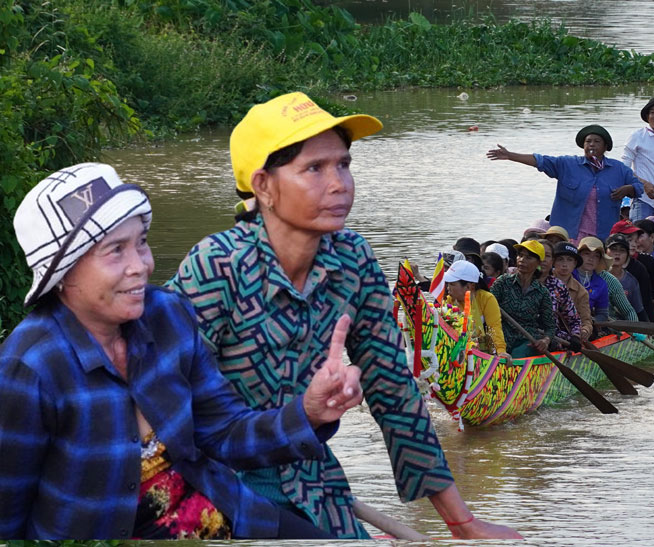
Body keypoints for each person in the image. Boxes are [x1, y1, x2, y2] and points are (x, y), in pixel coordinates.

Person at [168, 93, 519, 539]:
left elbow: (393, 389)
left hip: (313, 481)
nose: (339, 184)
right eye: (315, 169)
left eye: (344, 164)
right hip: (216, 487)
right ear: (263, 186)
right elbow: (164, 403)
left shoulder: (352, 259)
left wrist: (460, 520)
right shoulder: (215, 267)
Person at [0, 163, 370, 540]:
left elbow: (224, 432)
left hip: (217, 513)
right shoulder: (30, 368)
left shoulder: (167, 315)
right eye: (115, 251)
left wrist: (308, 412)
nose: (141, 266)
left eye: (141, 242)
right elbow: (7, 517)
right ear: (63, 276)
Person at [487, 125, 643, 241]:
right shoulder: (567, 164)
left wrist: (628, 189)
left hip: (601, 235)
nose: (592, 145)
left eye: (597, 142)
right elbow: (540, 160)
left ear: (605, 147)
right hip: (569, 234)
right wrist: (510, 155)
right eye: (588, 142)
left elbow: (639, 188)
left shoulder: (618, 169)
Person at [490, 240, 556, 359]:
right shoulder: (502, 282)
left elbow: (550, 327)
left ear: (538, 263)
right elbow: (487, 307)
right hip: (500, 336)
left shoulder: (542, 292)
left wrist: (545, 341)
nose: (522, 260)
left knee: (518, 355)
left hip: (526, 340)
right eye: (520, 255)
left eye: (529, 257)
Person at [443, 260, 508, 360]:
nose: (448, 288)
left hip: (483, 352)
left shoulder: (487, 299)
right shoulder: (449, 301)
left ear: (469, 286)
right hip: (458, 350)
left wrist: (501, 352)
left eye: (452, 284)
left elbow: (495, 329)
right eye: (448, 284)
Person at [610, 220, 654, 318]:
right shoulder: (601, 266)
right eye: (629, 240)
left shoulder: (644, 264)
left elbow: (647, 303)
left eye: (635, 240)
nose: (634, 244)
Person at [535, 241, 583, 352]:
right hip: (520, 334)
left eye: (547, 256)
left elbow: (574, 320)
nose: (543, 260)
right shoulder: (512, 279)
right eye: (539, 255)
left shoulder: (558, 286)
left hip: (551, 339)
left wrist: (576, 336)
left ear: (552, 261)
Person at [551, 242, 594, 343]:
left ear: (575, 264)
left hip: (567, 336)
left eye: (569, 260)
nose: (564, 264)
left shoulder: (581, 292)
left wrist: (584, 331)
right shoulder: (544, 280)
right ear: (553, 262)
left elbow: (586, 320)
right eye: (560, 259)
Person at [605, 234, 648, 322]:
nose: (617, 253)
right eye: (613, 249)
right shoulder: (598, 277)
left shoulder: (631, 281)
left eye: (622, 250)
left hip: (625, 329)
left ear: (627, 256)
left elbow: (638, 310)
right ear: (606, 252)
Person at [573, 237, 612, 328]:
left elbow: (602, 313)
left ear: (599, 261)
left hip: (585, 327)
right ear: (579, 256)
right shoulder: (567, 274)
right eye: (587, 254)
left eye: (596, 256)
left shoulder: (601, 284)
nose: (591, 259)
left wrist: (590, 322)